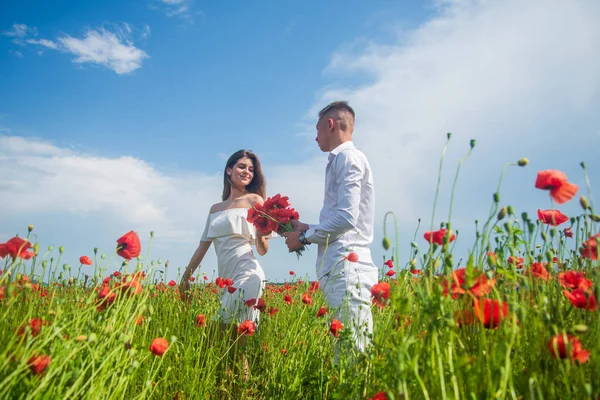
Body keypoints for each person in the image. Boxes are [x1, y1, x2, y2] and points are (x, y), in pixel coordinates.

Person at [282, 101, 377, 356]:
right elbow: (343, 219)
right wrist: (308, 227)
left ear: (330, 124)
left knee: (353, 351)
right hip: (341, 265)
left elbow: (347, 219)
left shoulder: (347, 158)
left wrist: (303, 237)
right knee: (346, 347)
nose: (315, 137)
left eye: (317, 129)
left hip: (348, 266)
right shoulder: (341, 160)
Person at [180, 149, 274, 379]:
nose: (247, 172)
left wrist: (263, 233)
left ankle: (224, 385)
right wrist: (185, 279)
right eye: (242, 166)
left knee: (216, 337)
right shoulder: (215, 209)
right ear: (229, 170)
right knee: (232, 348)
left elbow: (262, 250)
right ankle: (234, 390)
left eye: (251, 169)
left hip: (249, 274)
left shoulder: (255, 200)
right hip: (227, 280)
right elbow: (202, 248)